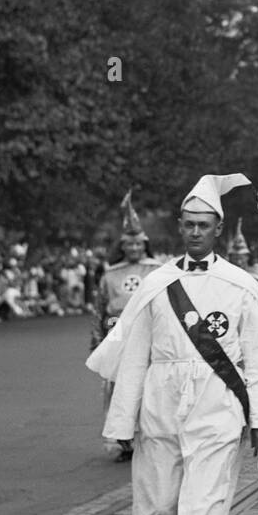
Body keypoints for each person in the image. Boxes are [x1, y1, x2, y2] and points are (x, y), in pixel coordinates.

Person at [86, 172, 258, 515]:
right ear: (179, 225)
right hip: (161, 406)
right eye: (188, 224)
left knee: (203, 506)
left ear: (218, 227)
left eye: (204, 225)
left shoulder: (242, 284)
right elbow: (134, 356)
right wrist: (121, 421)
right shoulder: (156, 283)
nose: (195, 232)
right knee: (161, 507)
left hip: (217, 407)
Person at [90, 191, 163, 461]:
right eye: (129, 246)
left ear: (144, 245)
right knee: (117, 385)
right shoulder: (110, 274)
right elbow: (99, 308)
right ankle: (123, 438)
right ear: (123, 246)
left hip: (147, 333)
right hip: (117, 333)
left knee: (145, 385)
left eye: (138, 245)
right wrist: (98, 340)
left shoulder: (158, 270)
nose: (134, 250)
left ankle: (147, 434)